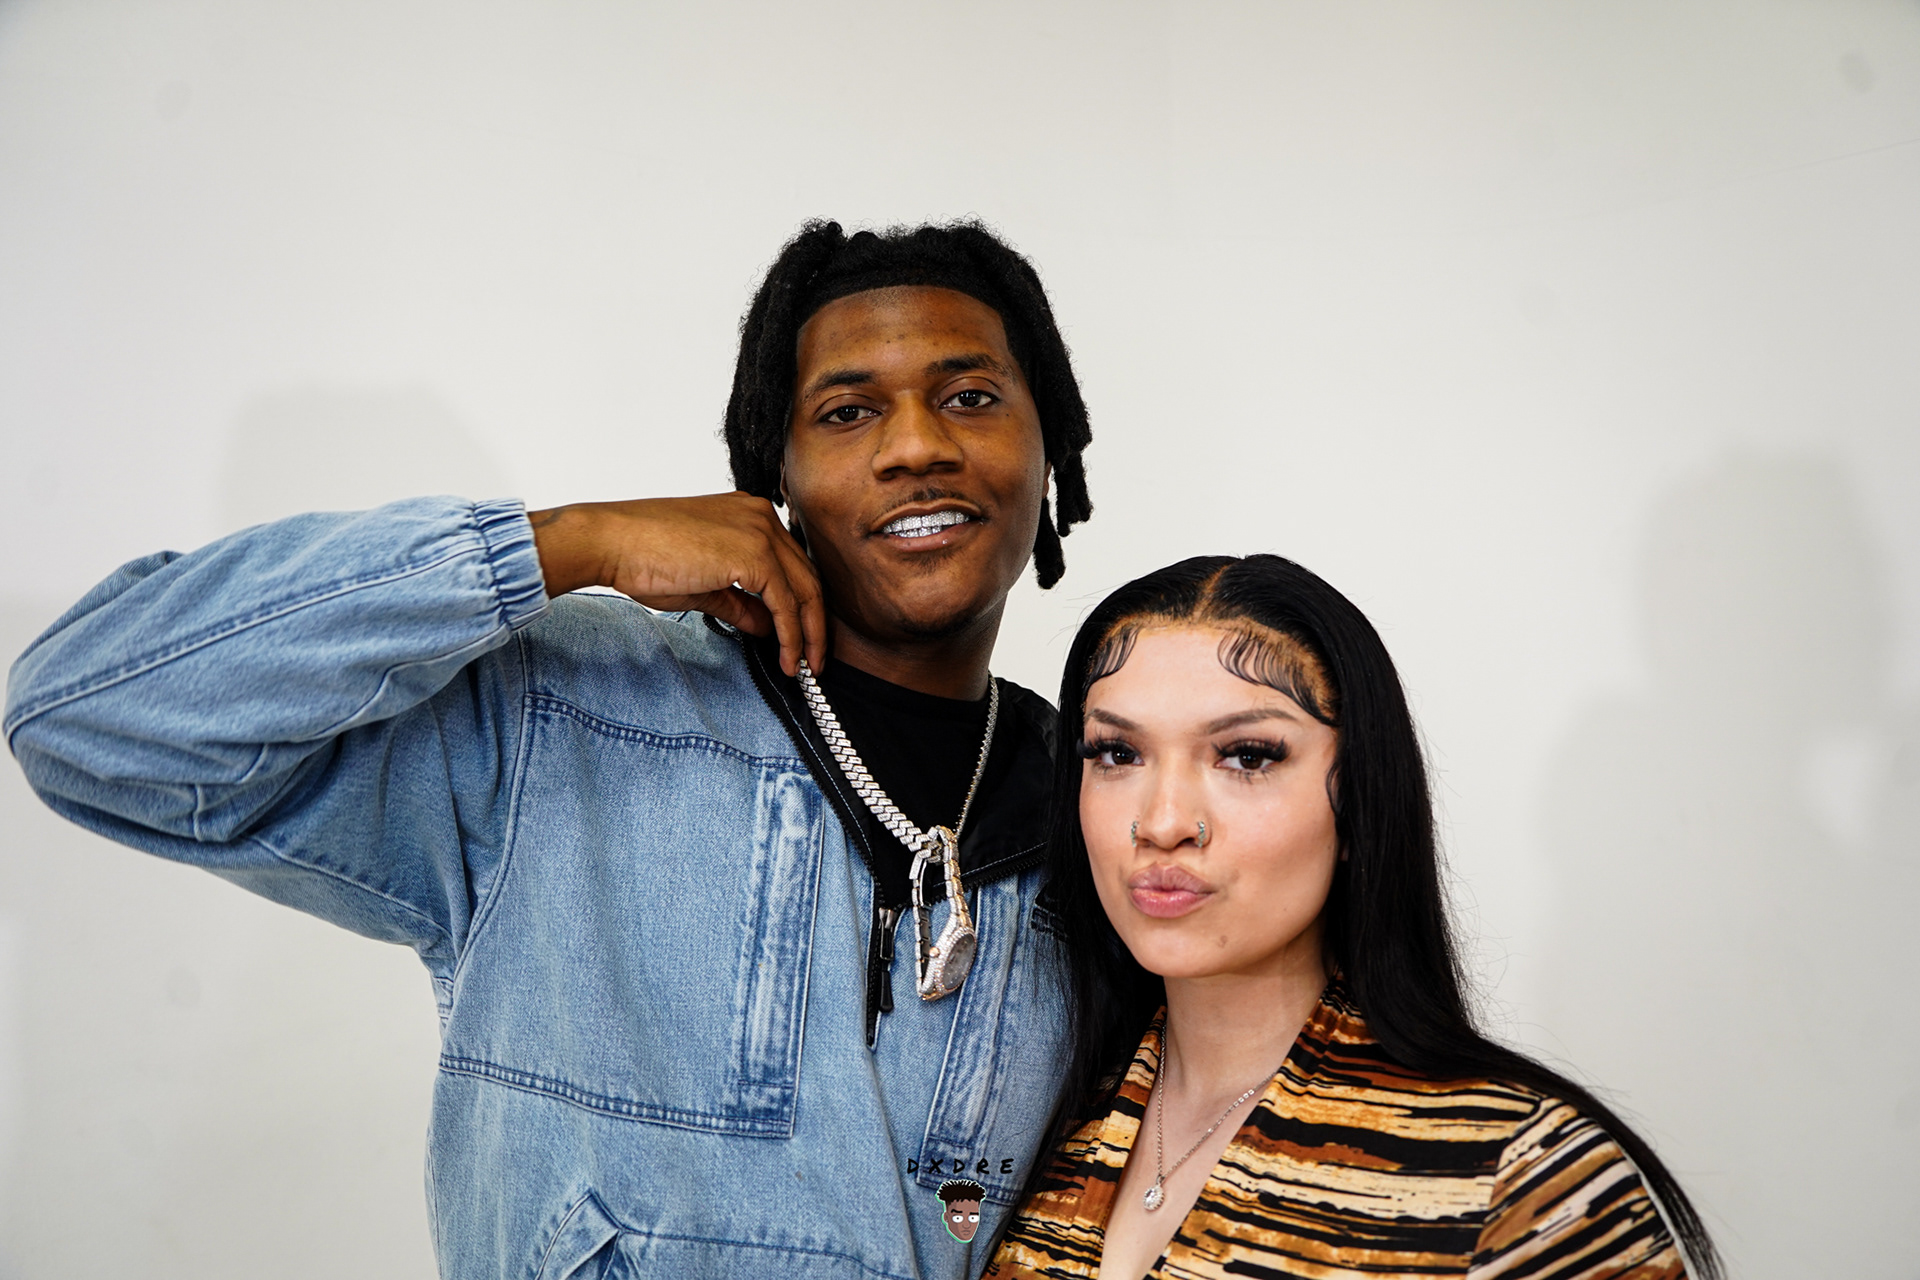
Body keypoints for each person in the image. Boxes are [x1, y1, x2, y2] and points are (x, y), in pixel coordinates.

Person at [3, 220, 1094, 1280]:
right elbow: (79, 712)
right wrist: (568, 542)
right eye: (847, 411)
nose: (917, 446)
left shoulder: (1104, 812)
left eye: (970, 396)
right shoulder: (549, 715)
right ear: (777, 478)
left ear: (1048, 446)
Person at [985, 555, 1722, 1280]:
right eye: (1117, 753)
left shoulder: (1523, 1181)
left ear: (1360, 800)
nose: (1164, 822)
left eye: (1247, 757)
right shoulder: (1025, 1132)